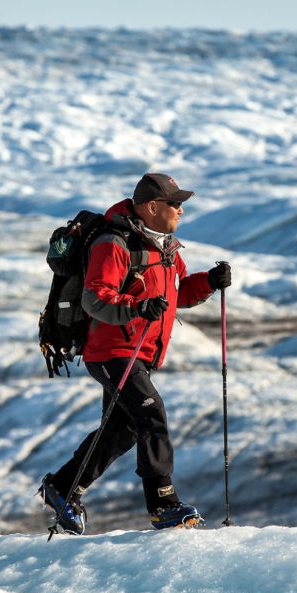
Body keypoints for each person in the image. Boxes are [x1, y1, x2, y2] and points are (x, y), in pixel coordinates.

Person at [40, 173, 232, 533]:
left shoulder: (166, 248)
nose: (181, 211)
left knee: (122, 430)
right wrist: (136, 308)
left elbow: (176, 296)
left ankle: (64, 488)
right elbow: (96, 297)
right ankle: (163, 503)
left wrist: (208, 282)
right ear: (152, 207)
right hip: (112, 350)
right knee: (151, 415)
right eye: (175, 204)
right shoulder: (114, 243)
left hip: (139, 352)